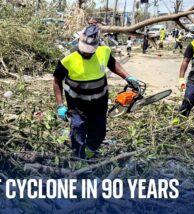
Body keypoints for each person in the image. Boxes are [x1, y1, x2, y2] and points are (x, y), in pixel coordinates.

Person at [53, 25, 142, 158]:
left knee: (99, 133)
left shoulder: (104, 51)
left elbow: (113, 64)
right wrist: (60, 105)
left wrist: (128, 77)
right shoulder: (67, 58)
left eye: (90, 51)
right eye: (84, 50)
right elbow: (56, 81)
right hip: (77, 106)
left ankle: (88, 153)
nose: (86, 53)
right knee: (78, 133)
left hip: (99, 104)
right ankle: (78, 158)